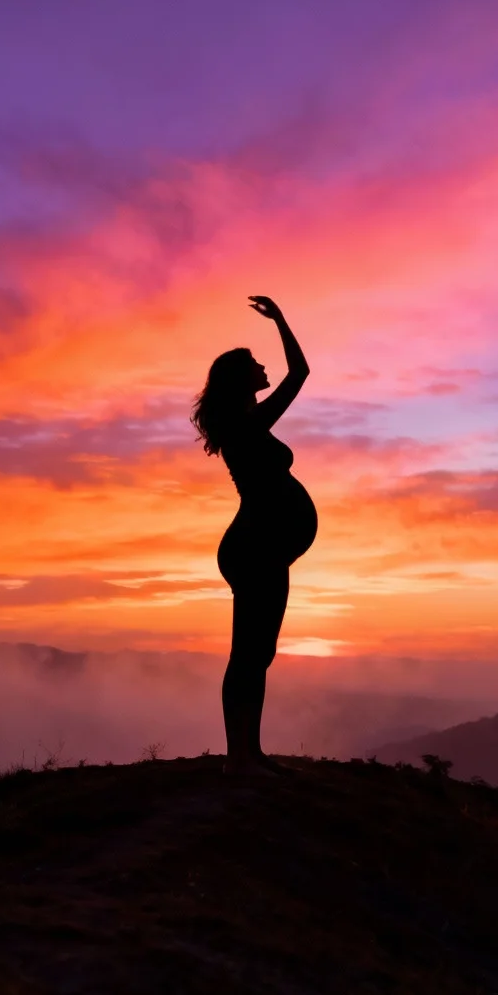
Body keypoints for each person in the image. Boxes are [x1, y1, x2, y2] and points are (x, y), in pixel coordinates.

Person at [191, 296, 318, 777]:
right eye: (256, 365)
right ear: (242, 379)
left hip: (268, 550)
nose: (265, 368)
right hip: (253, 549)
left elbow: (298, 373)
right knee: (246, 653)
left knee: (259, 653)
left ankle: (252, 752)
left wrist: (282, 320)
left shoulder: (246, 422)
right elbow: (300, 374)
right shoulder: (244, 425)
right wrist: (282, 321)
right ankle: (237, 757)